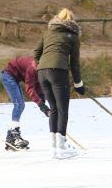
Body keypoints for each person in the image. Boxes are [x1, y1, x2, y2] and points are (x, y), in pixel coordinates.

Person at [33, 8, 85, 159]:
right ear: (72, 21)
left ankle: (54, 147)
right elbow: (74, 63)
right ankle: (61, 146)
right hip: (58, 71)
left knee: (54, 108)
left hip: (42, 72)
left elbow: (36, 53)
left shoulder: (47, 33)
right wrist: (78, 83)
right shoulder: (73, 36)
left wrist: (42, 65)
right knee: (62, 109)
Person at [0, 56, 51, 151]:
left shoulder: (42, 68)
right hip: (8, 75)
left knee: (20, 105)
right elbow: (29, 88)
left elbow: (37, 83)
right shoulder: (33, 67)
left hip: (14, 77)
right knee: (19, 105)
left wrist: (41, 96)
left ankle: (10, 138)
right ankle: (14, 134)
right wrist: (40, 104)